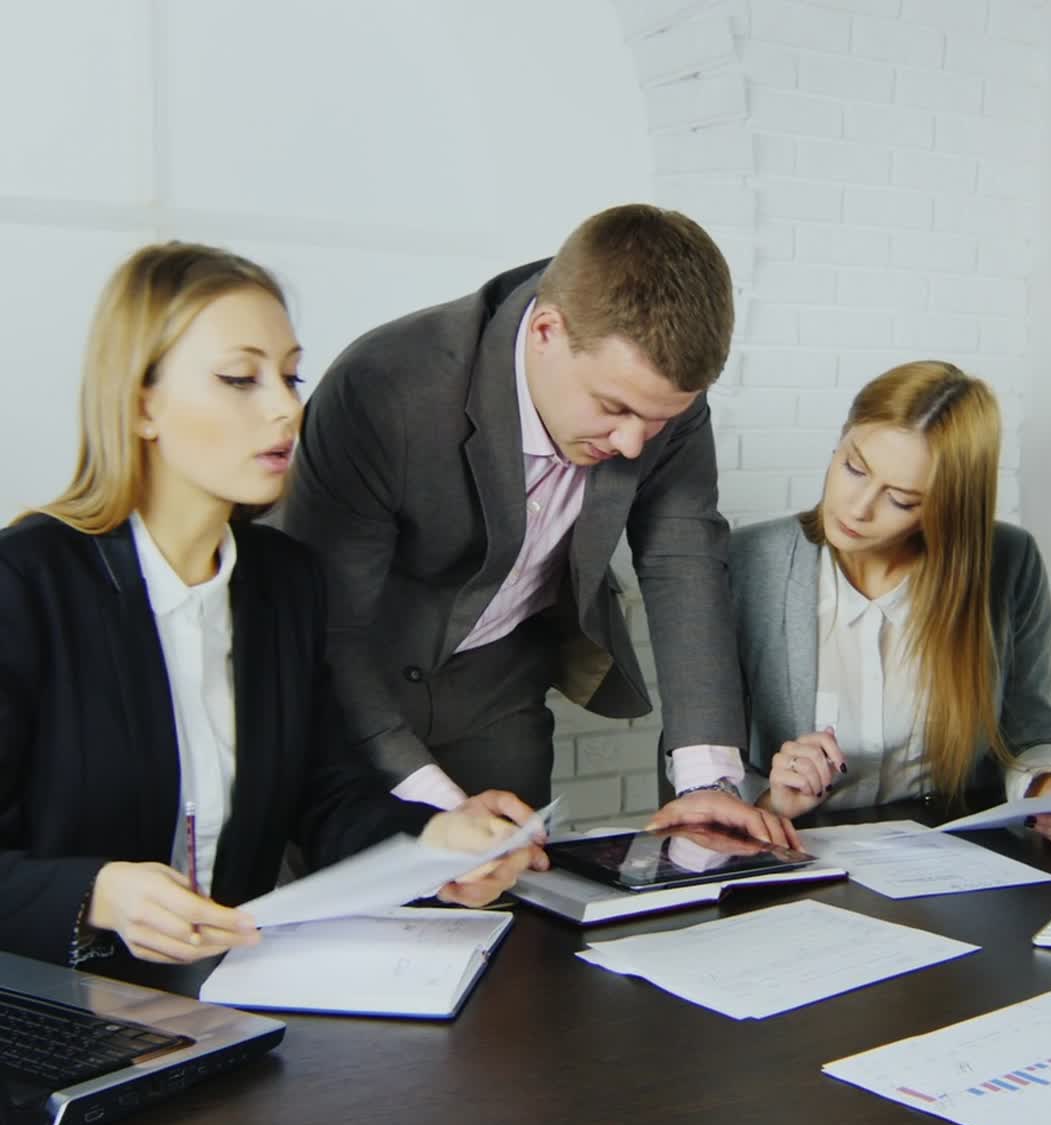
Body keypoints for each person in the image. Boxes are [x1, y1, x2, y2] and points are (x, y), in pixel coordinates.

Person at [0, 243, 543, 970]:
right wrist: (96, 894)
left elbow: (324, 796)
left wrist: (430, 845)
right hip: (55, 1018)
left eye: (290, 376)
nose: (287, 407)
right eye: (239, 378)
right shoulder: (25, 584)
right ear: (140, 404)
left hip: (230, 1003)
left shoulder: (283, 582)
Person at [280, 203, 796, 848]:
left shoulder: (661, 394)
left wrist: (707, 782)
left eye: (659, 421)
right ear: (546, 331)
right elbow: (331, 623)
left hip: (499, 695)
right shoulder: (387, 386)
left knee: (512, 909)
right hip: (352, 692)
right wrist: (434, 809)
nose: (635, 444)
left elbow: (682, 561)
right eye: (613, 408)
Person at [731, 360, 1051, 853]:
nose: (858, 507)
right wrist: (770, 797)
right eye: (853, 467)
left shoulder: (1007, 564)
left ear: (947, 508)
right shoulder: (746, 564)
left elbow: (1030, 729)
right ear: (840, 440)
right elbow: (697, 756)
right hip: (795, 862)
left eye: (903, 500)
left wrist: (1050, 790)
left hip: (953, 862)